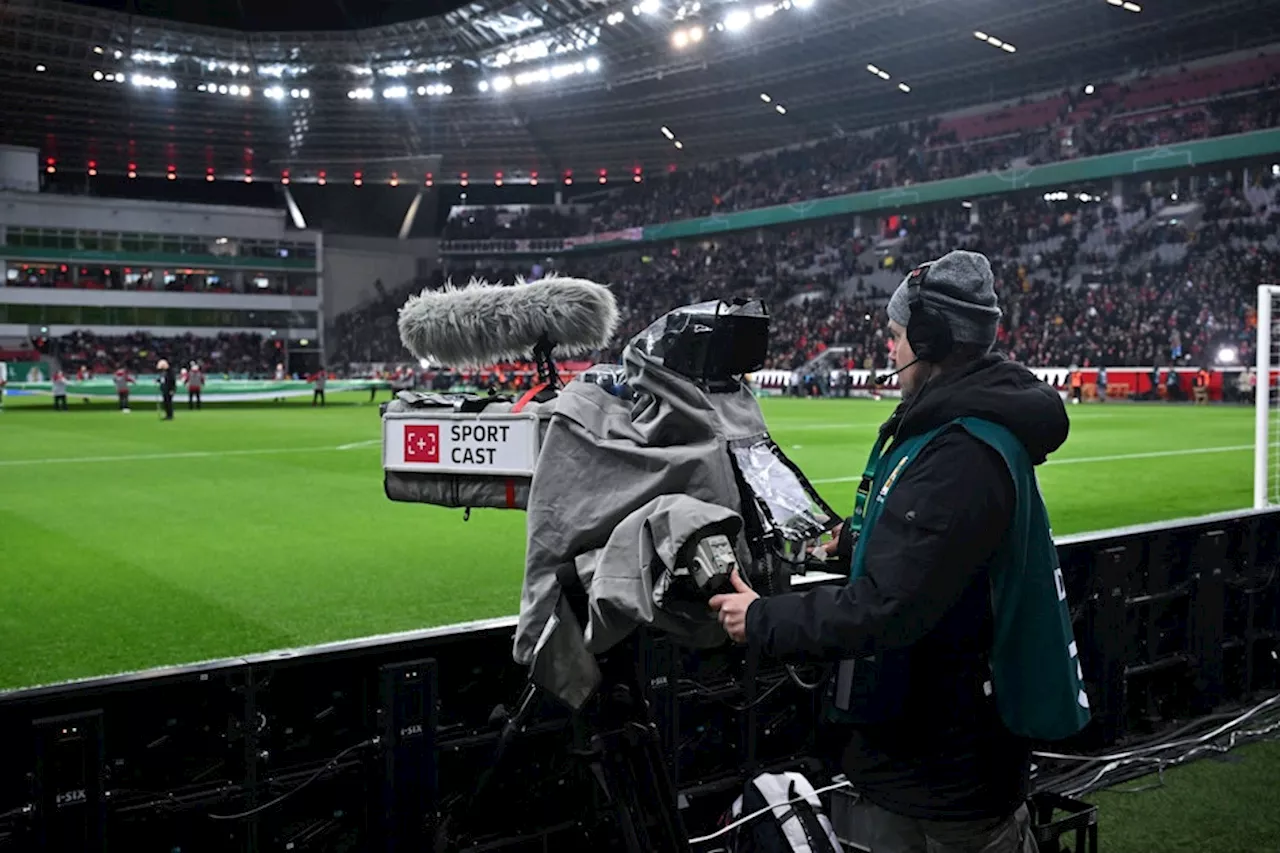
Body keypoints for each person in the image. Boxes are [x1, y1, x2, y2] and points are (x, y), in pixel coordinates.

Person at [712, 250, 1088, 853]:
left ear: (930, 338)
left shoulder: (961, 454)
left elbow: (888, 607)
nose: (889, 349)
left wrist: (759, 618)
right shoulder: (950, 432)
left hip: (938, 780)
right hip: (934, 756)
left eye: (894, 335)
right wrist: (850, 545)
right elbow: (933, 559)